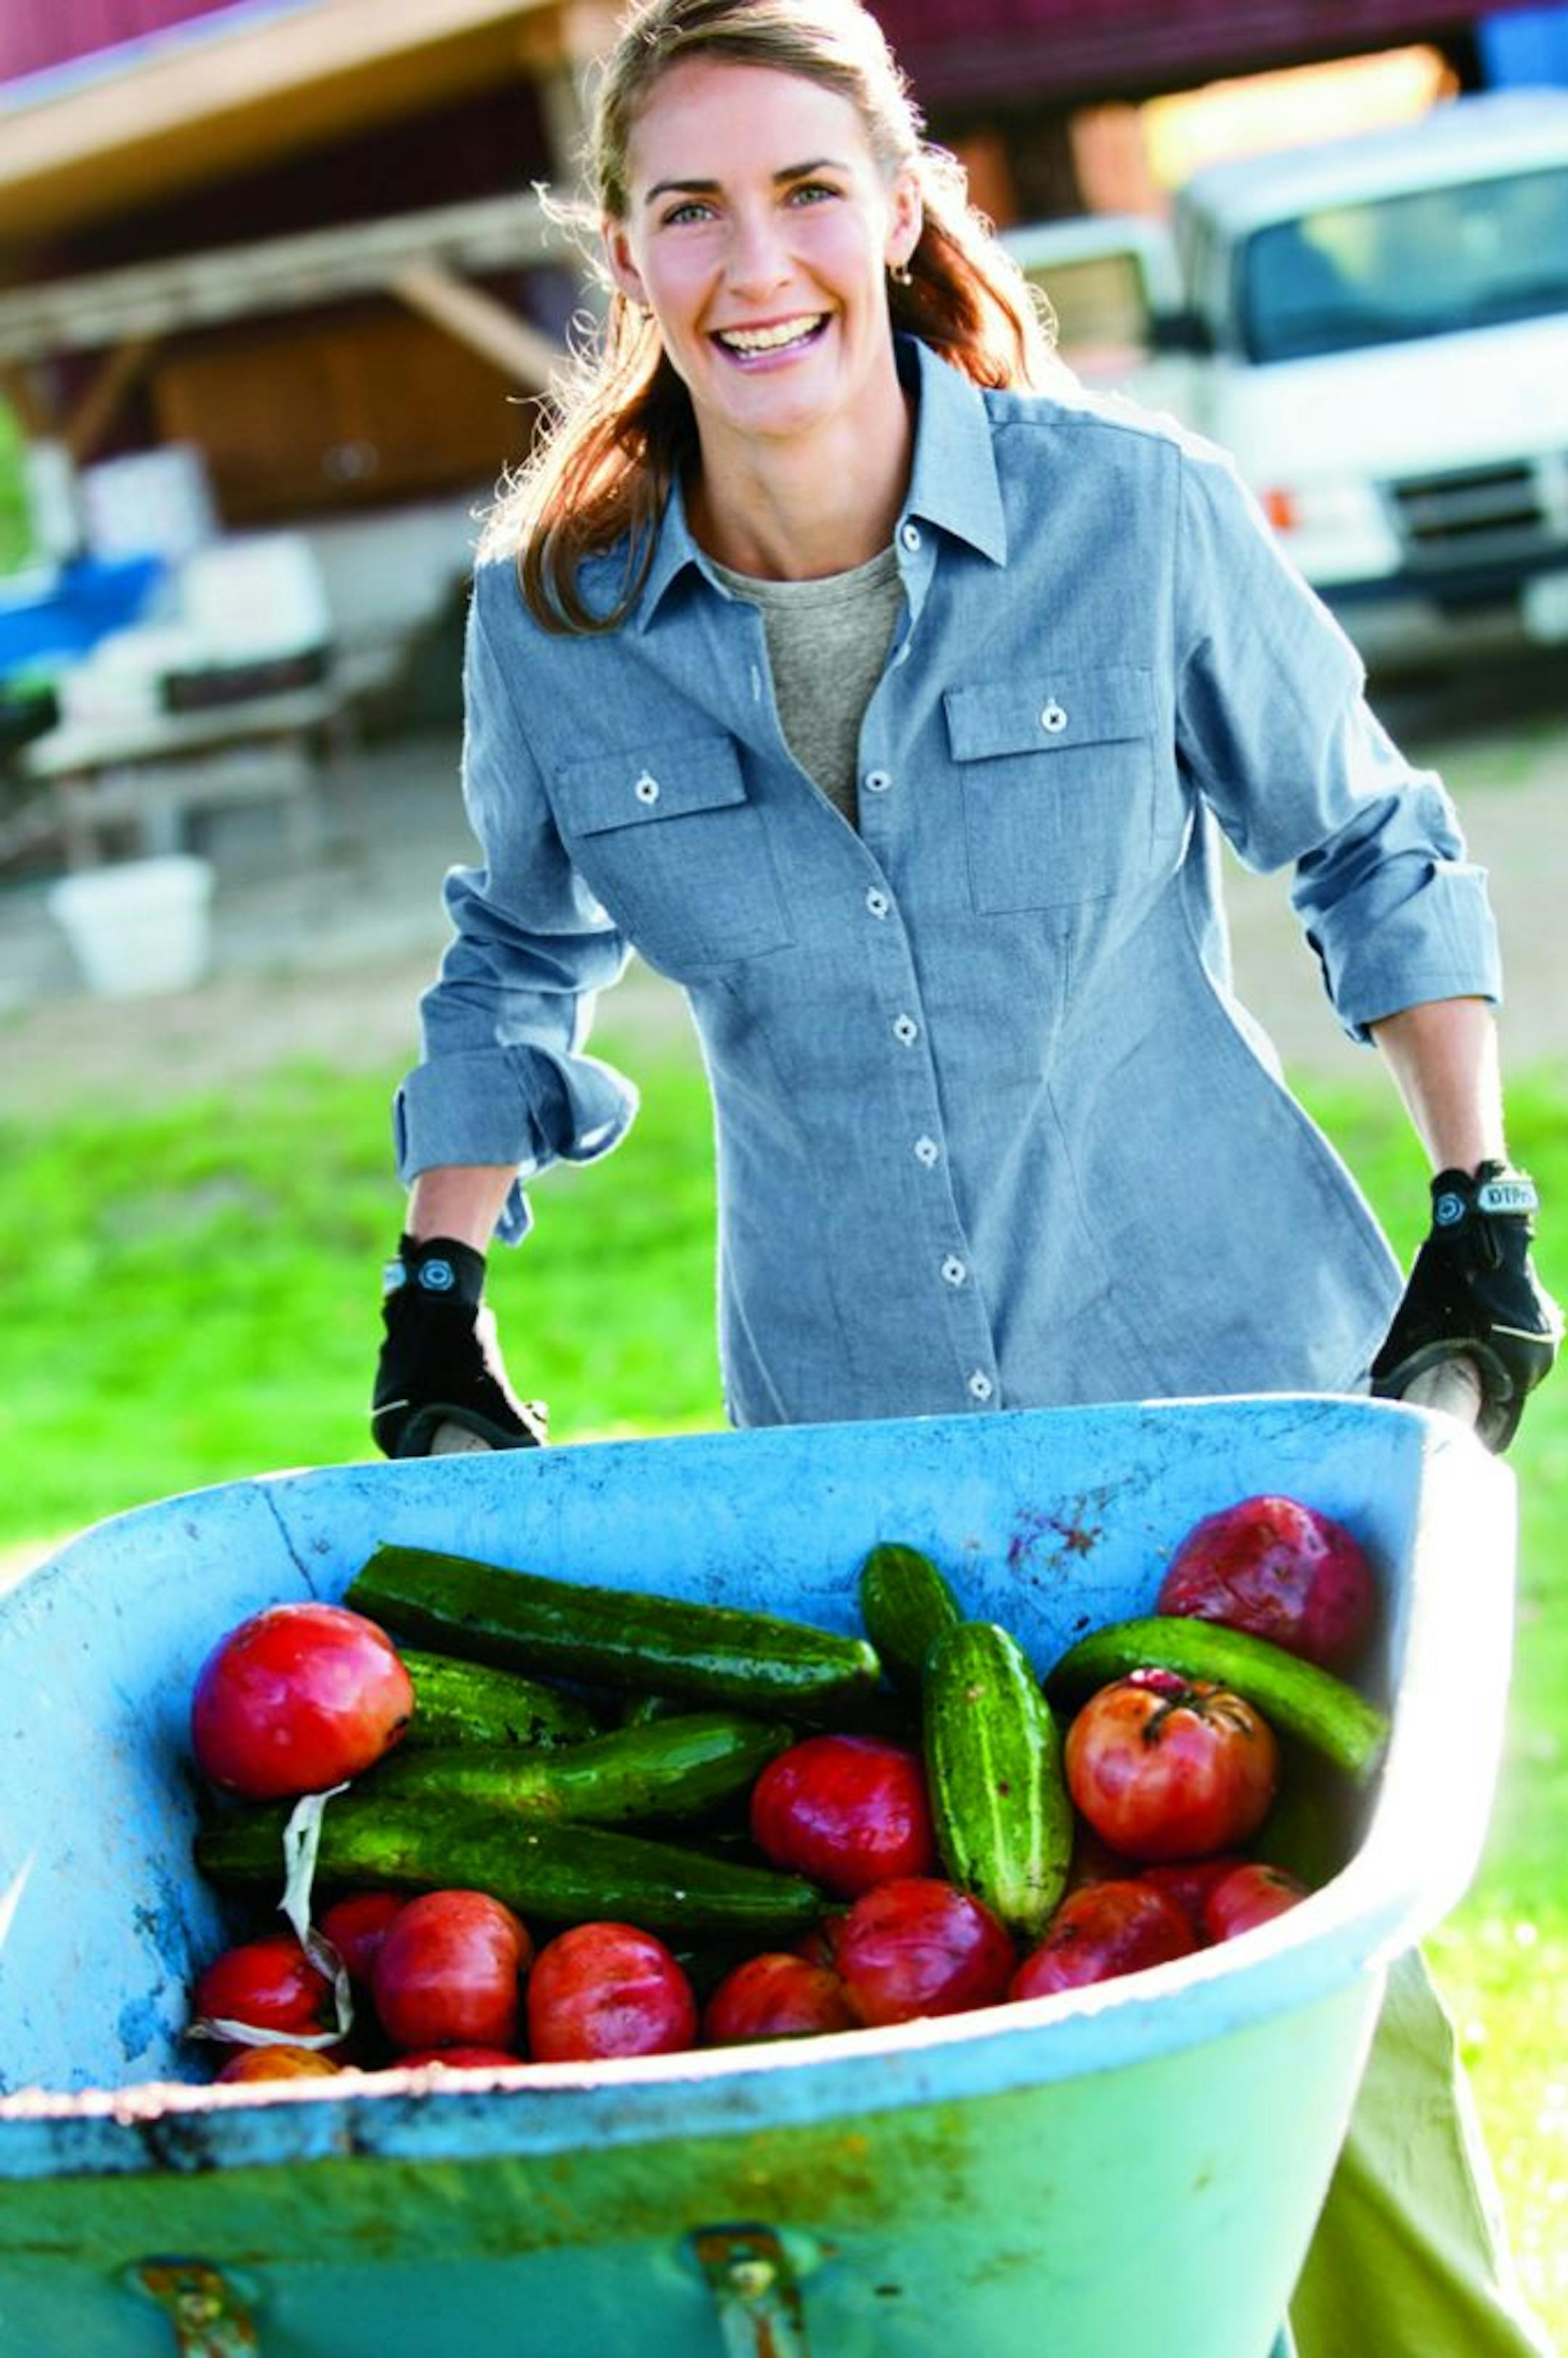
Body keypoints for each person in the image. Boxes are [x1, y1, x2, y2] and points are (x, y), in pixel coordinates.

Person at [370, 1, 1561, 2346]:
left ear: (903, 212)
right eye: (689, 208)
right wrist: (440, 1283)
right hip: (855, 1440)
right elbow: (511, 954)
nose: (757, 259)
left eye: (809, 190)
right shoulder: (560, 622)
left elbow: (1370, 840)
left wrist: (1476, 1197)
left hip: (1218, 1386)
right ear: (627, 255)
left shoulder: (1135, 517)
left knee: (1306, 2009)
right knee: (954, 2007)